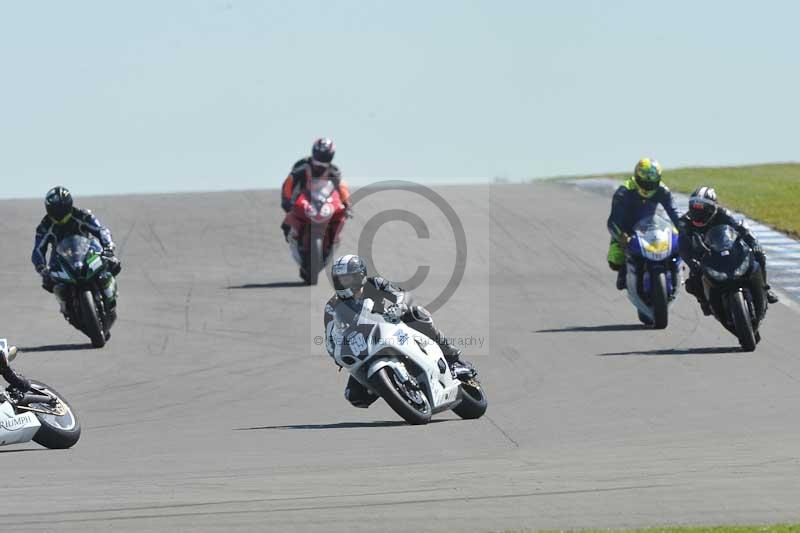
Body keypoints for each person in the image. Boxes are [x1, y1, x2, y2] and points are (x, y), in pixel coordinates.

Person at [323, 254, 473, 409]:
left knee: (417, 313)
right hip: (364, 346)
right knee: (354, 396)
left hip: (390, 326)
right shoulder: (332, 305)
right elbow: (329, 336)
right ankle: (392, 385)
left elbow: (401, 294)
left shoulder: (375, 283)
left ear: (359, 275)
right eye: (339, 279)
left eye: (346, 278)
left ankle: (453, 359)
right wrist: (335, 352)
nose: (343, 283)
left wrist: (399, 306)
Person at [678, 186, 778, 315]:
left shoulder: (723, 214)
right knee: (693, 282)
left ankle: (765, 288)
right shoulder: (685, 222)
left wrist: (753, 243)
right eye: (694, 209)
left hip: (727, 250)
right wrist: (693, 263)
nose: (698, 214)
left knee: (759, 255)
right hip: (703, 257)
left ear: (713, 208)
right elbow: (683, 248)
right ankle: (704, 302)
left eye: (703, 210)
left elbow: (742, 229)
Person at [31, 186, 121, 324]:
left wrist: (108, 247)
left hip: (88, 250)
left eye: (61, 209)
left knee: (111, 263)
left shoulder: (82, 215)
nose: (59, 213)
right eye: (55, 210)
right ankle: (67, 308)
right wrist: (41, 267)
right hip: (61, 258)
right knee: (50, 282)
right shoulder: (45, 226)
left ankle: (110, 296)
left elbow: (101, 230)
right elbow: (38, 249)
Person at [607, 158, 681, 289]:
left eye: (652, 183)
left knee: (678, 242)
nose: (648, 187)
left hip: (650, 226)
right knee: (615, 260)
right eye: (645, 183)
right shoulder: (624, 192)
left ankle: (675, 271)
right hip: (626, 230)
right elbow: (613, 221)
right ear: (637, 178)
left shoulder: (662, 190)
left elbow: (675, 213)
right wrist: (620, 236)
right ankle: (625, 271)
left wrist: (684, 230)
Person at [280, 137, 352, 242]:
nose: (321, 161)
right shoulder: (303, 166)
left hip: (324, 199)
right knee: (288, 220)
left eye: (325, 156)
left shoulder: (334, 171)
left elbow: (342, 187)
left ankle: (334, 239)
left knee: (341, 215)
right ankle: (292, 236)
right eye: (319, 155)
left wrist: (346, 203)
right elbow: (289, 183)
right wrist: (287, 199)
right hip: (303, 198)